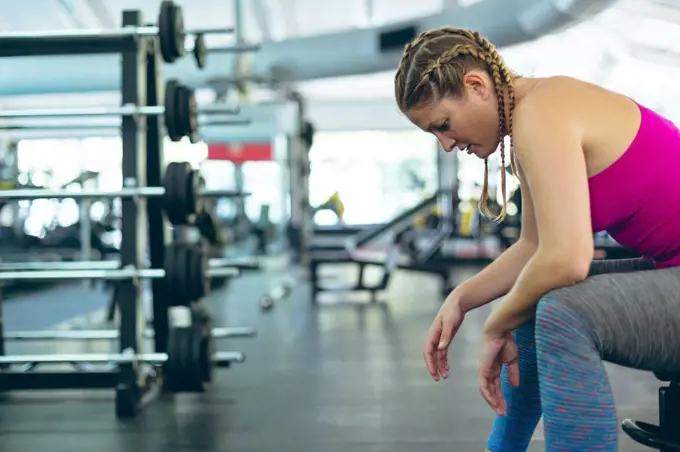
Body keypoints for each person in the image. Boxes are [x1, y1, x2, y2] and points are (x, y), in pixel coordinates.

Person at [394, 27, 680, 451]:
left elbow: (568, 258)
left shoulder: (541, 113)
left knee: (561, 310)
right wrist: (463, 297)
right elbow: (535, 248)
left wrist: (494, 325)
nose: (447, 145)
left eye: (443, 125)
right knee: (533, 298)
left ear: (476, 86)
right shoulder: (531, 114)